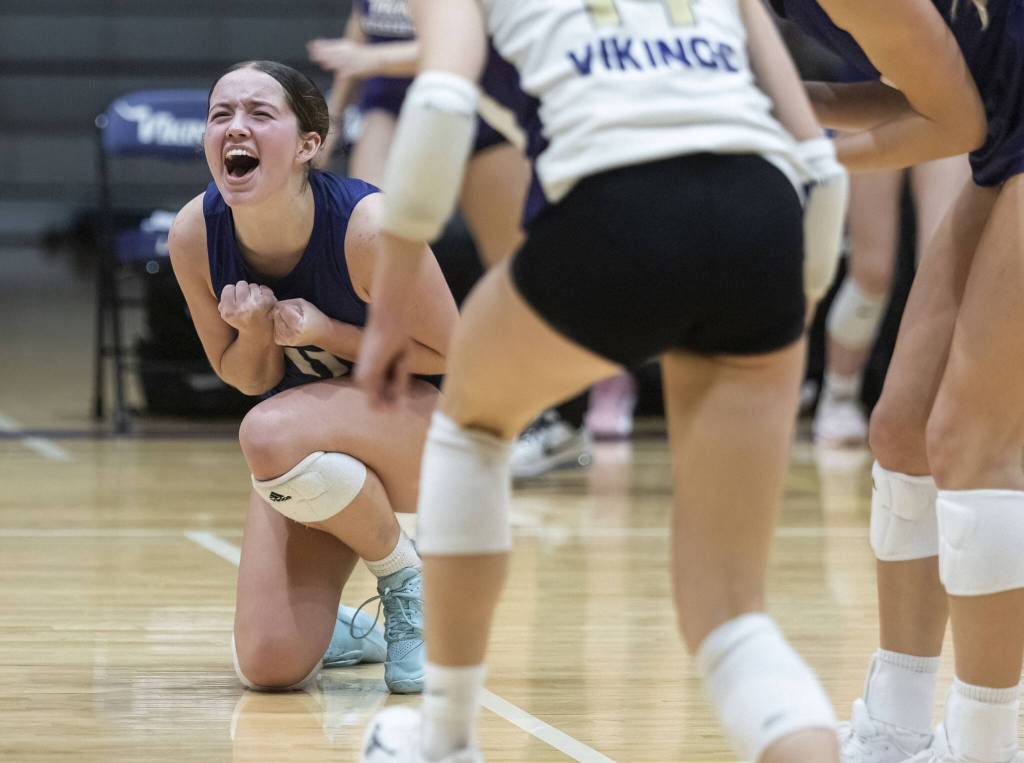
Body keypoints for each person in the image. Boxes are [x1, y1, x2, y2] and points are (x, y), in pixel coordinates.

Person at [354, 0, 852, 760]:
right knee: (734, 621)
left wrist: (390, 300)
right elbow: (818, 159)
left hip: (616, 208)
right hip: (764, 217)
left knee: (473, 427)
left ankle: (445, 737)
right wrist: (793, 302)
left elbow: (443, 99)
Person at [772, 1, 1024, 761]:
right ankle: (895, 726)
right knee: (903, 432)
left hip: (997, 135)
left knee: (972, 445)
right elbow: (936, 88)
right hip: (1006, 135)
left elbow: (952, 124)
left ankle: (984, 744)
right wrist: (800, 106)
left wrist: (802, 154)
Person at [167, 60, 458, 696]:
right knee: (269, 666)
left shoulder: (371, 226)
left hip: (419, 432)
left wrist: (327, 332)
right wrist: (254, 332)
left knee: (266, 431)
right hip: (306, 459)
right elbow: (245, 378)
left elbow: (450, 352)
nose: (235, 127)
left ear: (308, 145)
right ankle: (351, 628)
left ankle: (405, 576)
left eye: (259, 113)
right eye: (221, 115)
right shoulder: (194, 234)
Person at [308, 4, 595, 480]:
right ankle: (366, 408)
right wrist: (334, 112)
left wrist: (373, 60)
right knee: (365, 248)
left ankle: (562, 419)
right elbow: (363, 26)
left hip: (476, 101)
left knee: (521, 273)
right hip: (391, 103)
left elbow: (467, 42)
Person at [813, 154, 969, 447]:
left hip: (949, 127)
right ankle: (838, 395)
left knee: (938, 267)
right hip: (875, 124)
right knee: (872, 273)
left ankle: (935, 404)